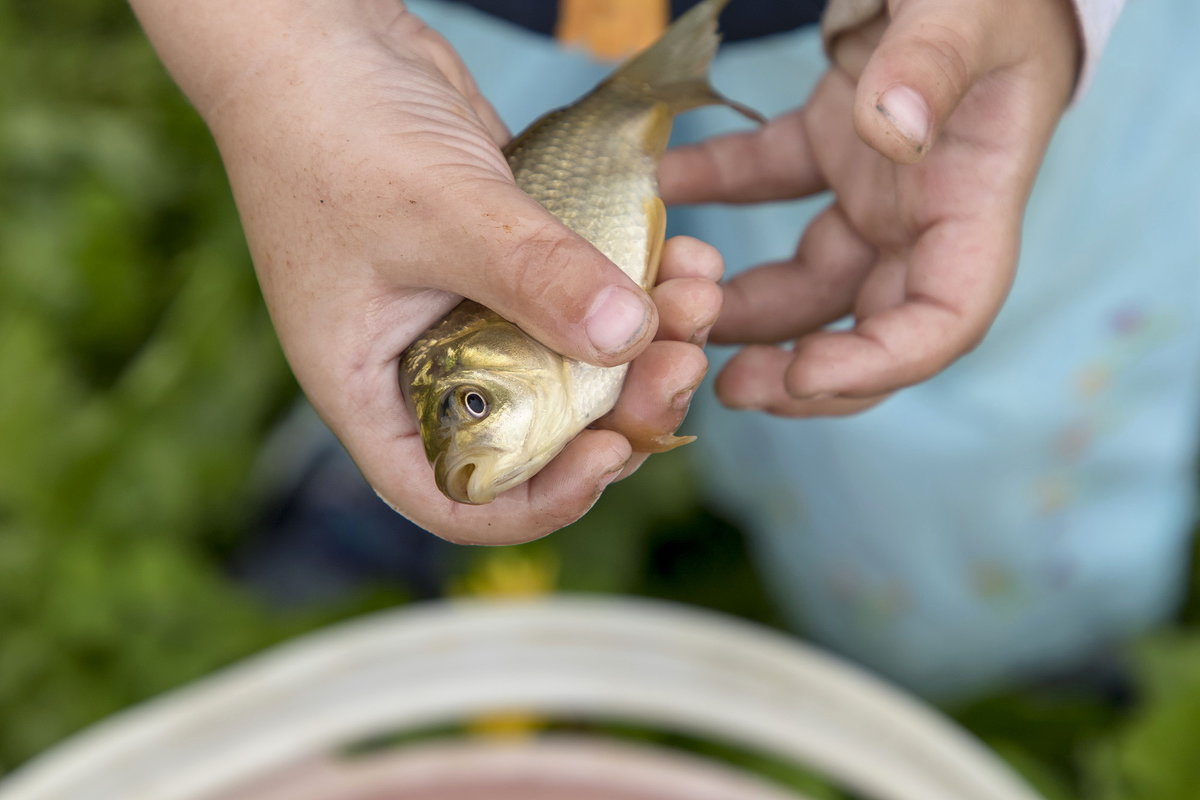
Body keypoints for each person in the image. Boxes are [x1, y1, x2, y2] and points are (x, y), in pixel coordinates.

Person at [131, 0, 1200, 698]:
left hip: (936, 31)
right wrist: (275, 55)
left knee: (969, 382)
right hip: (430, 22)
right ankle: (380, 452)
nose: (470, 423)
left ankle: (1010, 645)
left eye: (467, 405)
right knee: (436, 202)